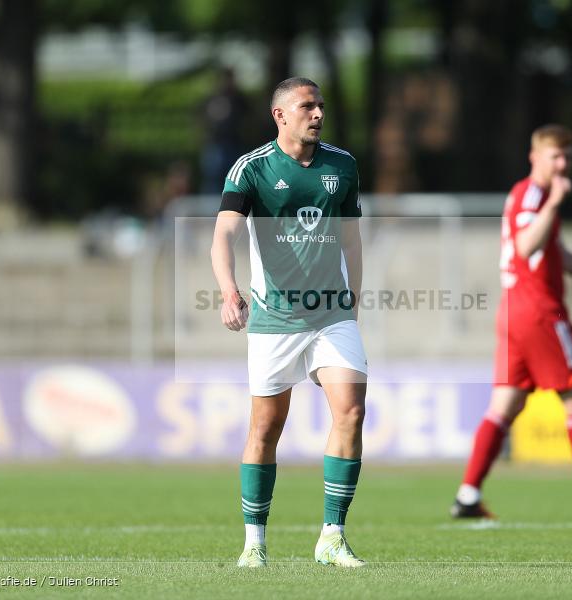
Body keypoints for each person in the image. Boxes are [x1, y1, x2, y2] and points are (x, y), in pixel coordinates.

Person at [451, 124, 572, 521]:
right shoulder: (534, 196)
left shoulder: (530, 197)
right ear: (534, 157)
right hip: (539, 313)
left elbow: (556, 252)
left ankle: (468, 496)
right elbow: (527, 246)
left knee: (505, 404)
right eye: (555, 156)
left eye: (568, 157)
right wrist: (555, 203)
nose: (563, 164)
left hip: (514, 311)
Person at [211, 77, 368, 568]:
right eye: (307, 106)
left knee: (351, 412)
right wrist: (229, 291)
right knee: (266, 427)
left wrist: (354, 299)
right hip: (275, 317)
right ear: (280, 115)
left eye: (320, 104)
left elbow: (352, 241)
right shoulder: (251, 169)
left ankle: (332, 536)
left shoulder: (342, 166)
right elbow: (222, 237)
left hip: (330, 314)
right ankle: (254, 542)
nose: (318, 113)